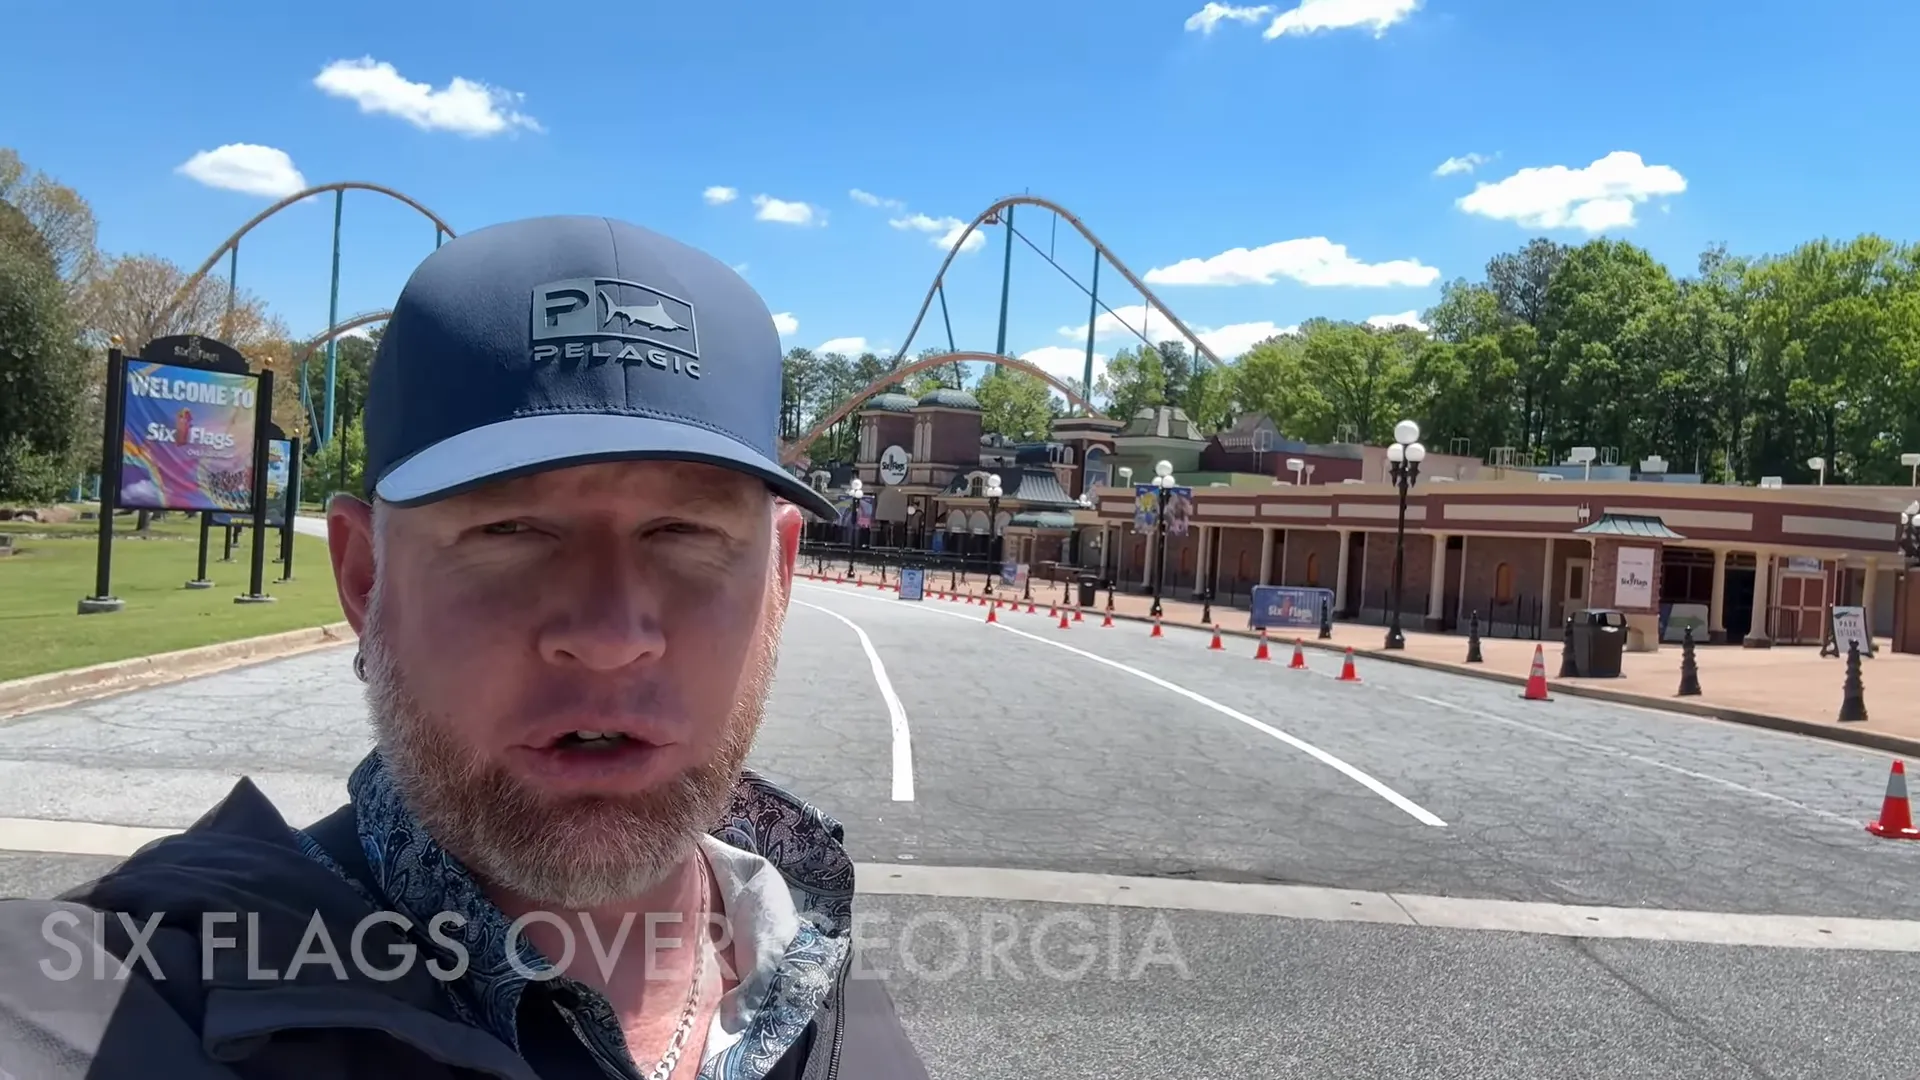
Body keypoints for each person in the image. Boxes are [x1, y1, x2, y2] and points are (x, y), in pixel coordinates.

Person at [0, 215, 931, 1080]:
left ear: (777, 579)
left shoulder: (843, 1026)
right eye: (511, 530)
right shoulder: (129, 998)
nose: (608, 637)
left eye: (683, 534)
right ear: (366, 579)